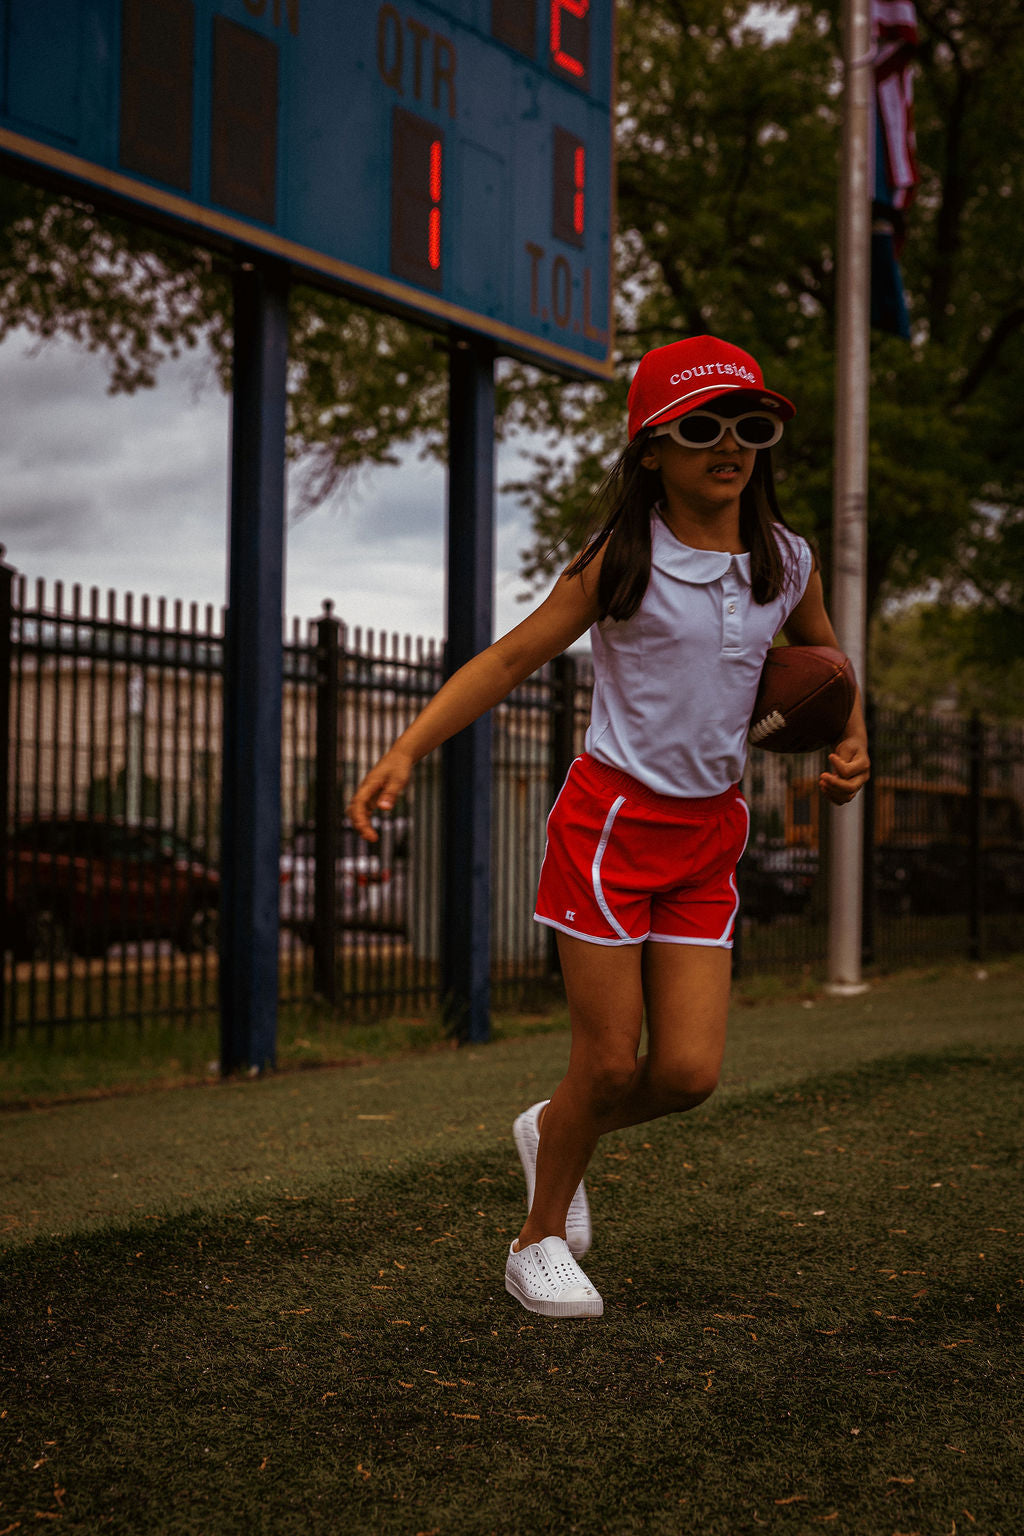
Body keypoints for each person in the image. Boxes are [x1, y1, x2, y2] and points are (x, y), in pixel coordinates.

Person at [346, 335, 870, 1320]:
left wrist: (851, 740)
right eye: (701, 426)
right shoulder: (619, 563)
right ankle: (535, 1240)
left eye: (749, 425)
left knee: (686, 1074)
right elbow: (503, 663)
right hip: (610, 826)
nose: (730, 444)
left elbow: (828, 667)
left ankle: (554, 1128)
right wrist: (407, 748)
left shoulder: (787, 560)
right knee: (608, 1060)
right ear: (649, 450)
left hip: (709, 834)